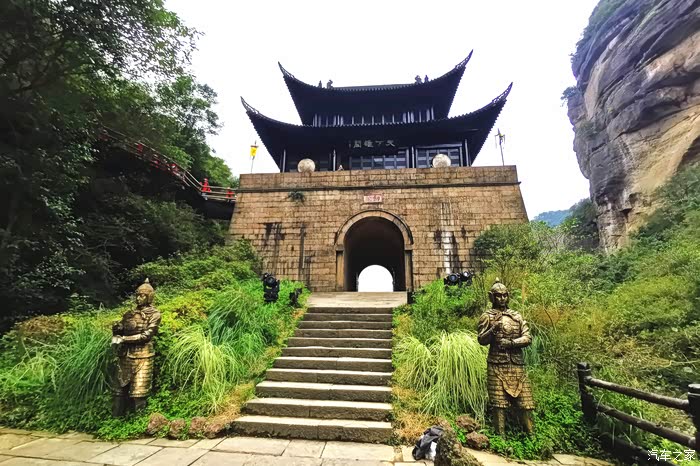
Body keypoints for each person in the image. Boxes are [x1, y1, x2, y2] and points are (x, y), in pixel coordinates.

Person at [477, 279, 535, 434]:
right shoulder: (487, 316)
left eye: (504, 295)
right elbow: (481, 340)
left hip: (516, 363)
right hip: (497, 363)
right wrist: (492, 330)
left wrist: (511, 343)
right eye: (498, 295)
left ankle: (531, 435)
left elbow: (527, 337)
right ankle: (500, 437)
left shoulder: (516, 316)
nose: (502, 298)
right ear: (492, 297)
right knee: (499, 403)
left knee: (526, 402)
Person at [111, 279, 162, 416]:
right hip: (125, 355)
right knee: (118, 392)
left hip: (143, 355)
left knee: (139, 392)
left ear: (149, 297)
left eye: (142, 296)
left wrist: (124, 339)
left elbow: (147, 335)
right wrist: (116, 329)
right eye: (137, 295)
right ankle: (116, 419)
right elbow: (122, 330)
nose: (138, 298)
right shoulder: (129, 314)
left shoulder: (155, 314)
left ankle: (139, 419)